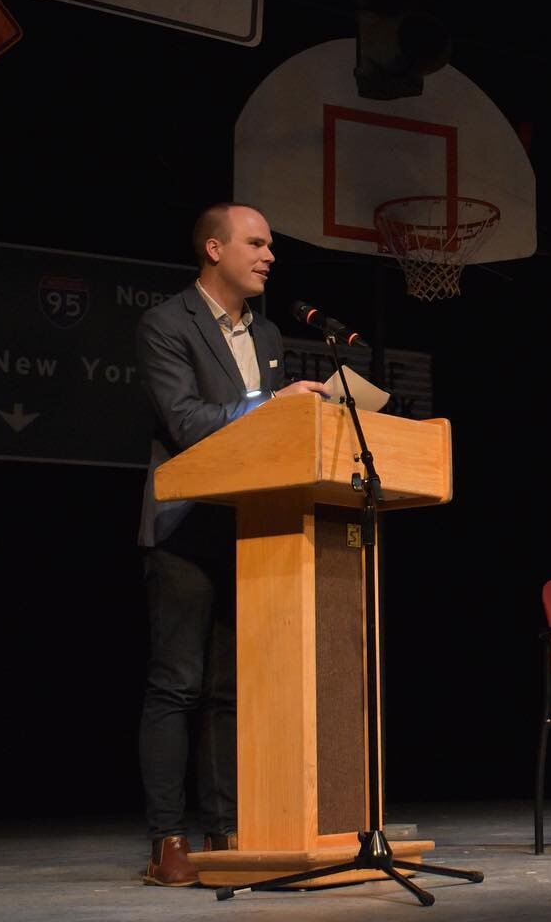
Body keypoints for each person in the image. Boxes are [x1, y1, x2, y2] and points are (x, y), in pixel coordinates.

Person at [134, 203, 327, 884]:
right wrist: (271, 407)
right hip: (184, 525)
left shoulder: (269, 332)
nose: (269, 255)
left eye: (271, 243)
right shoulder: (167, 323)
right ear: (213, 248)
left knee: (226, 691)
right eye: (256, 243)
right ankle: (167, 842)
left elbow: (263, 440)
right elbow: (185, 422)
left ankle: (224, 828)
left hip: (246, 528)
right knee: (177, 685)